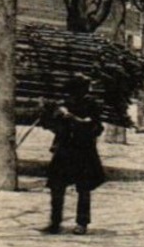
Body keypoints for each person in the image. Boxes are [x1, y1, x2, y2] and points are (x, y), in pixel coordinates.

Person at [41, 74, 106, 235]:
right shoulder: (63, 106)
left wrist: (75, 119)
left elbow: (97, 128)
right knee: (57, 187)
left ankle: (82, 223)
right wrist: (51, 115)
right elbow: (51, 126)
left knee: (83, 188)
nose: (72, 94)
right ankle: (55, 223)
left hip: (83, 151)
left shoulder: (92, 105)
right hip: (64, 151)